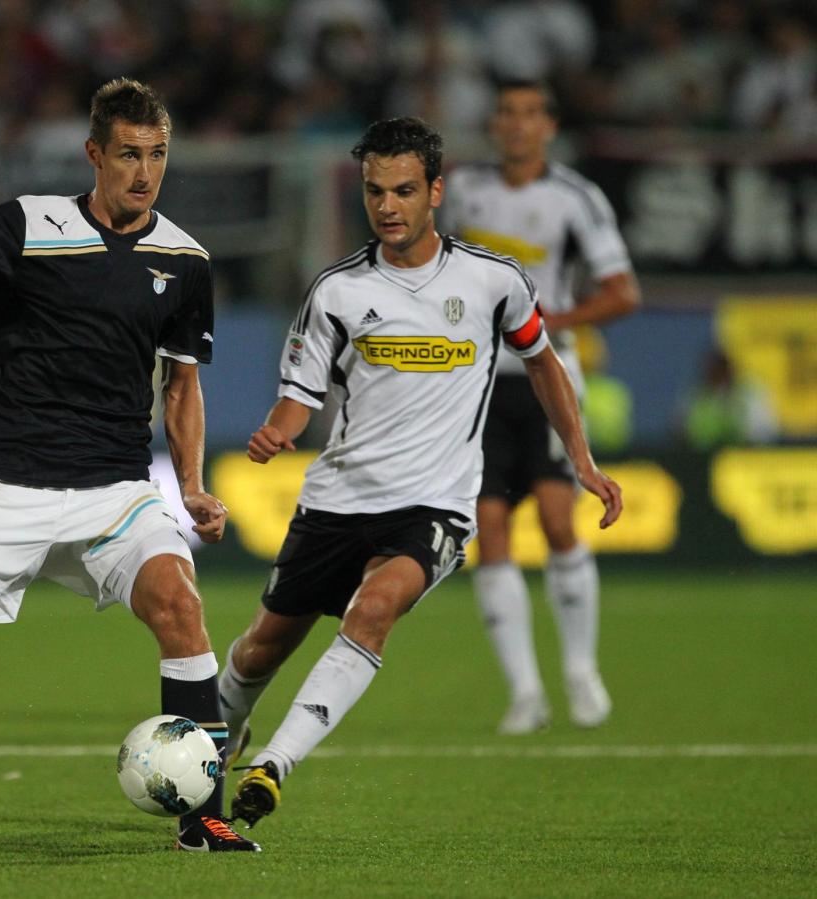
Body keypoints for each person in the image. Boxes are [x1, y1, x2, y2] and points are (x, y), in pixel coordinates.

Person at [0, 78, 259, 853]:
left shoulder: (185, 259)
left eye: (159, 154)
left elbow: (182, 383)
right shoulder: (31, 225)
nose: (145, 172)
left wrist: (194, 483)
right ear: (94, 154)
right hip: (4, 478)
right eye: (130, 154)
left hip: (115, 487)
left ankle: (201, 811)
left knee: (180, 604)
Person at [215, 117, 623, 828]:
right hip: (338, 498)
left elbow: (544, 362)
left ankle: (273, 765)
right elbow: (301, 392)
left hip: (435, 505)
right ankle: (221, 734)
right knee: (262, 647)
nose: (388, 206)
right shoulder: (337, 292)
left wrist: (582, 459)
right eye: (375, 191)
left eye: (403, 190)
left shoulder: (494, 282)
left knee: (374, 612)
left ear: (435, 190)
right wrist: (277, 431)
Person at [438, 80, 641, 734]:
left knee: (558, 519)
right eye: (505, 113)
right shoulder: (464, 191)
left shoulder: (575, 198)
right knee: (488, 529)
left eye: (529, 114)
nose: (516, 125)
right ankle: (525, 690)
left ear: (549, 126)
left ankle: (580, 669)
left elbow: (623, 292)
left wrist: (555, 320)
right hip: (481, 383)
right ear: (493, 123)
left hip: (549, 372)